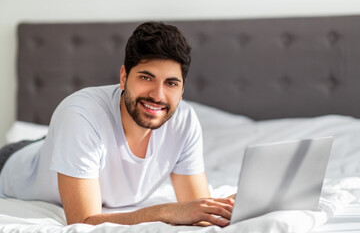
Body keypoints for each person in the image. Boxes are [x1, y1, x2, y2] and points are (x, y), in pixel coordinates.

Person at [0, 22, 233, 227]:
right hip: (14, 162)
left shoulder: (184, 121)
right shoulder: (79, 116)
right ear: (123, 77)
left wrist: (235, 204)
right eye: (146, 77)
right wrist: (166, 212)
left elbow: (199, 210)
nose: (158, 95)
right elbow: (83, 222)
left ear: (182, 90)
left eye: (171, 83)